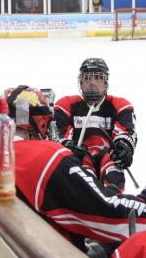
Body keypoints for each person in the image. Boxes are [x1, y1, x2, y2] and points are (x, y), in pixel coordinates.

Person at [8, 85, 146, 248]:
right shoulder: (47, 156)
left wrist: (123, 145)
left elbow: (126, 133)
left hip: (4, 256)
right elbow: (103, 210)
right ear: (40, 122)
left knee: (109, 161)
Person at [54, 58, 136, 192]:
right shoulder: (65, 105)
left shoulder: (120, 105)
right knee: (81, 166)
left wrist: (124, 148)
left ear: (105, 82)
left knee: (112, 162)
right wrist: (70, 148)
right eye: (87, 78)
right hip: (78, 159)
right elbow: (59, 137)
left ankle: (115, 202)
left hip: (108, 157)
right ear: (80, 82)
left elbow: (125, 133)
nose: (92, 83)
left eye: (97, 78)